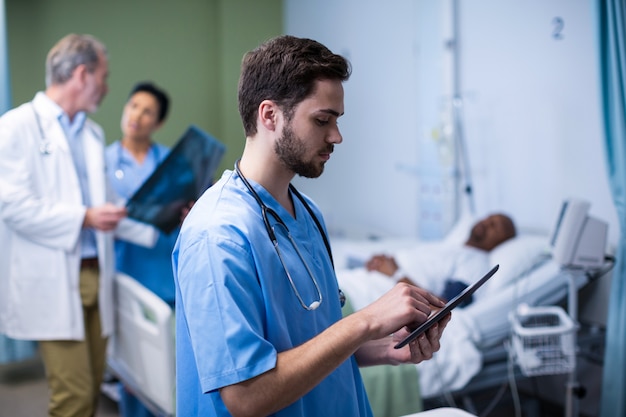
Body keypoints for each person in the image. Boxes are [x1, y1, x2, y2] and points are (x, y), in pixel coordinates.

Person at [173, 35, 450, 417]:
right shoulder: (219, 234)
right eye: (322, 120)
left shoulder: (307, 214)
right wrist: (365, 322)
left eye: (337, 120)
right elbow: (245, 396)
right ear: (269, 115)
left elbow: (308, 346)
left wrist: (386, 348)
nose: (336, 136)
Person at [0, 34, 156, 417]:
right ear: (82, 74)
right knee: (73, 397)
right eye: (103, 77)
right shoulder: (16, 126)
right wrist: (83, 217)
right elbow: (12, 205)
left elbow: (109, 208)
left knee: (89, 393)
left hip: (96, 275)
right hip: (53, 279)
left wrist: (164, 221)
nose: (106, 87)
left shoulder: (92, 133)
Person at [105, 81, 180, 417]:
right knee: (135, 375)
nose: (136, 115)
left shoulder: (171, 162)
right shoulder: (103, 162)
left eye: (147, 111)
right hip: (128, 274)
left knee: (171, 369)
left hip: (168, 275)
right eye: (133, 105)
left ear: (158, 122)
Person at [340, 213, 516, 312]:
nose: (486, 223)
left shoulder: (476, 263)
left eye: (495, 226)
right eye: (488, 218)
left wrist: (395, 274)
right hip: (360, 282)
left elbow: (446, 307)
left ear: (501, 242)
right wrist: (381, 263)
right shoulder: (450, 247)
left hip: (375, 294)